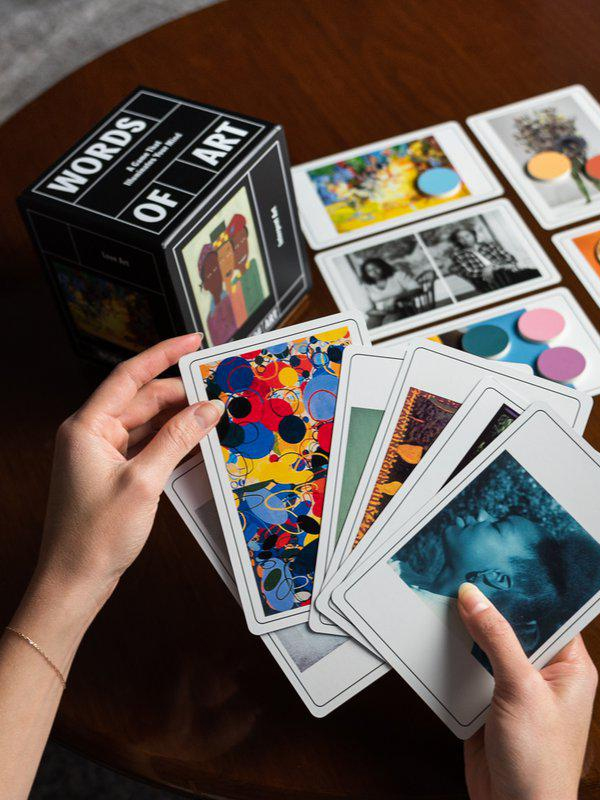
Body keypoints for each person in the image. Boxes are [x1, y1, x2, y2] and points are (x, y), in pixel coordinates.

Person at [0, 334, 596, 800]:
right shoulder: (409, 575)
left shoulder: (451, 648)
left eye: (496, 526)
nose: (479, 512)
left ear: (497, 580)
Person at [448, 228, 539, 292]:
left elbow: (510, 258)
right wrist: (493, 269)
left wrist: (492, 267)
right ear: (457, 241)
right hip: (489, 280)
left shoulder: (489, 245)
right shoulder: (458, 255)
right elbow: (470, 272)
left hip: (507, 271)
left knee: (535, 273)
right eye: (460, 238)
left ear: (473, 235)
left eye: (467, 235)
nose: (465, 239)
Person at [358, 256, 421, 327]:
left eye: (376, 268)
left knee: (388, 324)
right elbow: (368, 309)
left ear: (382, 266)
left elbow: (417, 289)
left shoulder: (398, 276)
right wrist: (381, 312)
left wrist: (395, 298)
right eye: (369, 271)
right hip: (380, 313)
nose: (374, 272)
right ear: (366, 273)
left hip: (404, 309)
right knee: (369, 327)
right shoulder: (366, 286)